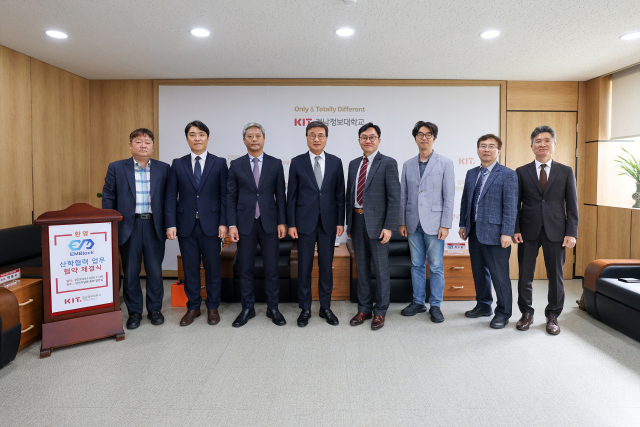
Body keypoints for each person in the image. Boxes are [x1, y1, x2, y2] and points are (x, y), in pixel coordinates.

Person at [513, 125, 578, 335]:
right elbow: (515, 204)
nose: (542, 144)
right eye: (538, 141)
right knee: (525, 275)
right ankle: (526, 313)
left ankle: (553, 316)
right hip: (527, 230)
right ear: (531, 146)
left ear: (554, 145)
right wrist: (515, 228)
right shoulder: (521, 172)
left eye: (547, 140)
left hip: (557, 231)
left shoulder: (566, 171)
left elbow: (572, 204)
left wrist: (572, 232)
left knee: (556, 275)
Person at [102, 128, 169, 330]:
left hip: (154, 225)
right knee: (130, 272)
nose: (143, 145)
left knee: (155, 271)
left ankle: (155, 309)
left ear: (153, 147)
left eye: (147, 142)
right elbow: (108, 198)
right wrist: (110, 225)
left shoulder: (164, 168)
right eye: (138, 141)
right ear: (130, 145)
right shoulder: (116, 168)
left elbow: (169, 199)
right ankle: (134, 312)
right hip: (127, 226)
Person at [165, 120, 228, 326]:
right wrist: (171, 223)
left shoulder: (219, 163)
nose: (197, 138)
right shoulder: (178, 163)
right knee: (190, 268)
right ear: (187, 139)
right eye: (192, 134)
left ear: (207, 138)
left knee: (212, 268)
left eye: (201, 134)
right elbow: (171, 196)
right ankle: (193, 307)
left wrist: (223, 222)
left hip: (211, 224)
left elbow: (224, 195)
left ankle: (212, 307)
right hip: (185, 225)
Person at [227, 123, 288, 327]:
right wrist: (232, 224)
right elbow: (231, 197)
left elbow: (280, 195)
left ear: (264, 139)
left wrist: (282, 221)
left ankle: (273, 308)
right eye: (250, 136)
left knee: (271, 267)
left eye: (258, 136)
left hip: (270, 221)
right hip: (244, 223)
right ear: (244, 140)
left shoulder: (275, 163)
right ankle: (247, 308)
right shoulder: (236, 165)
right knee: (245, 268)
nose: (254, 139)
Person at [287, 120, 345, 327]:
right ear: (306, 137)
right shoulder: (297, 162)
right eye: (312, 135)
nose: (316, 139)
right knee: (304, 267)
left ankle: (325, 308)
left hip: (328, 222)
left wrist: (340, 220)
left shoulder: (336, 162)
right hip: (303, 223)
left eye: (321, 135)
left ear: (326, 138)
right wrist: (291, 223)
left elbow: (340, 195)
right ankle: (305, 309)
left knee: (325, 267)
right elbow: (291, 196)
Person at [459, 134, 517, 329]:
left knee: (499, 275)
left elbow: (510, 206)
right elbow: (466, 201)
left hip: (497, 234)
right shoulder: (471, 173)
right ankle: (484, 305)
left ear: (498, 151)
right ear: (477, 150)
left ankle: (503, 312)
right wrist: (462, 224)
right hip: (474, 231)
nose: (486, 149)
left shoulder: (508, 174)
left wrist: (507, 232)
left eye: (491, 146)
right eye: (483, 146)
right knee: (478, 273)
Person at [399, 121, 455, 323]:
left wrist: (446, 224)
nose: (424, 137)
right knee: (416, 265)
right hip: (413, 223)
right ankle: (418, 302)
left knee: (436, 266)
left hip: (435, 223)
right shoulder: (407, 164)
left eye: (428, 134)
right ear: (415, 138)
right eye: (420, 134)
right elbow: (403, 195)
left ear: (434, 138)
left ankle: (436, 305)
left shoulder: (445, 163)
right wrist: (402, 222)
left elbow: (449, 196)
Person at [346, 122, 400, 330]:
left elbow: (394, 198)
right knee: (362, 269)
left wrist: (388, 226)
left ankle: (380, 312)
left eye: (372, 137)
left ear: (378, 140)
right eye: (364, 137)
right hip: (357, 221)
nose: (367, 140)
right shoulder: (352, 164)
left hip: (379, 225)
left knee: (380, 269)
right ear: (359, 140)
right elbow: (349, 196)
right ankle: (364, 309)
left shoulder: (387, 163)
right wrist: (349, 223)